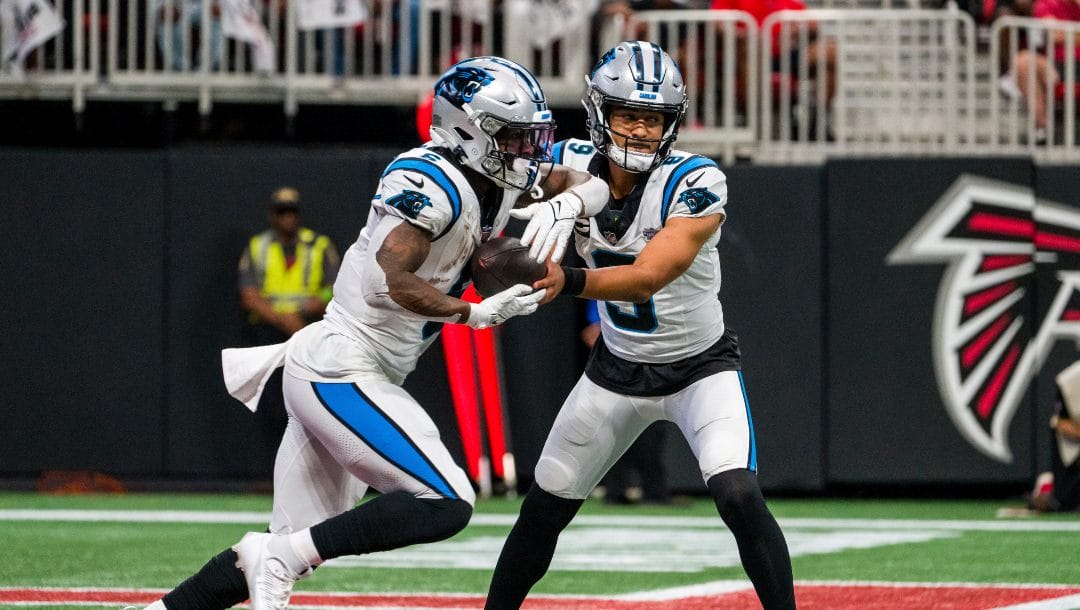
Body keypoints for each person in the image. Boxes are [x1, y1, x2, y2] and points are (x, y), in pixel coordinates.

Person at [135, 55, 609, 610]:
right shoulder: (430, 181)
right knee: (445, 499)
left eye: (531, 138)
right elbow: (391, 282)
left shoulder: (497, 175)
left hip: (358, 369)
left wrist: (568, 203)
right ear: (469, 131)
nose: (527, 153)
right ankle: (278, 560)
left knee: (282, 550)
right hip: (339, 367)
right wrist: (470, 313)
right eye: (513, 138)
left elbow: (593, 180)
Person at [484, 41, 796, 610]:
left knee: (738, 493)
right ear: (600, 113)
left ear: (671, 125)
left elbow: (649, 276)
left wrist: (568, 280)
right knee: (542, 511)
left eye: (652, 119)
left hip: (699, 368)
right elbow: (500, 176)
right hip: (615, 372)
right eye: (627, 114)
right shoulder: (571, 162)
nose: (639, 131)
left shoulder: (695, 179)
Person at [581, 300, 675, 506]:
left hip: (650, 347)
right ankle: (616, 489)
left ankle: (654, 489)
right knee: (613, 419)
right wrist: (596, 322)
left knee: (652, 417)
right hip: (618, 347)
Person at [238, 186, 340, 346]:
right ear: (272, 215)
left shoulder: (319, 245)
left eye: (292, 211)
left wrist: (314, 305)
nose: (288, 216)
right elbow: (249, 296)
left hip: (309, 324)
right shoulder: (257, 246)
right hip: (267, 329)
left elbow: (333, 289)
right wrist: (283, 320)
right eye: (282, 211)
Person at [1010, 0, 1080, 143]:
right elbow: (1055, 34)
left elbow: (1061, 34)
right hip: (1058, 66)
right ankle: (1043, 129)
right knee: (1023, 61)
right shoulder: (1045, 3)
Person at [1027, 361, 1080, 512]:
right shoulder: (1071, 380)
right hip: (1075, 450)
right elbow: (1061, 424)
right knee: (1067, 501)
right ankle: (1054, 491)